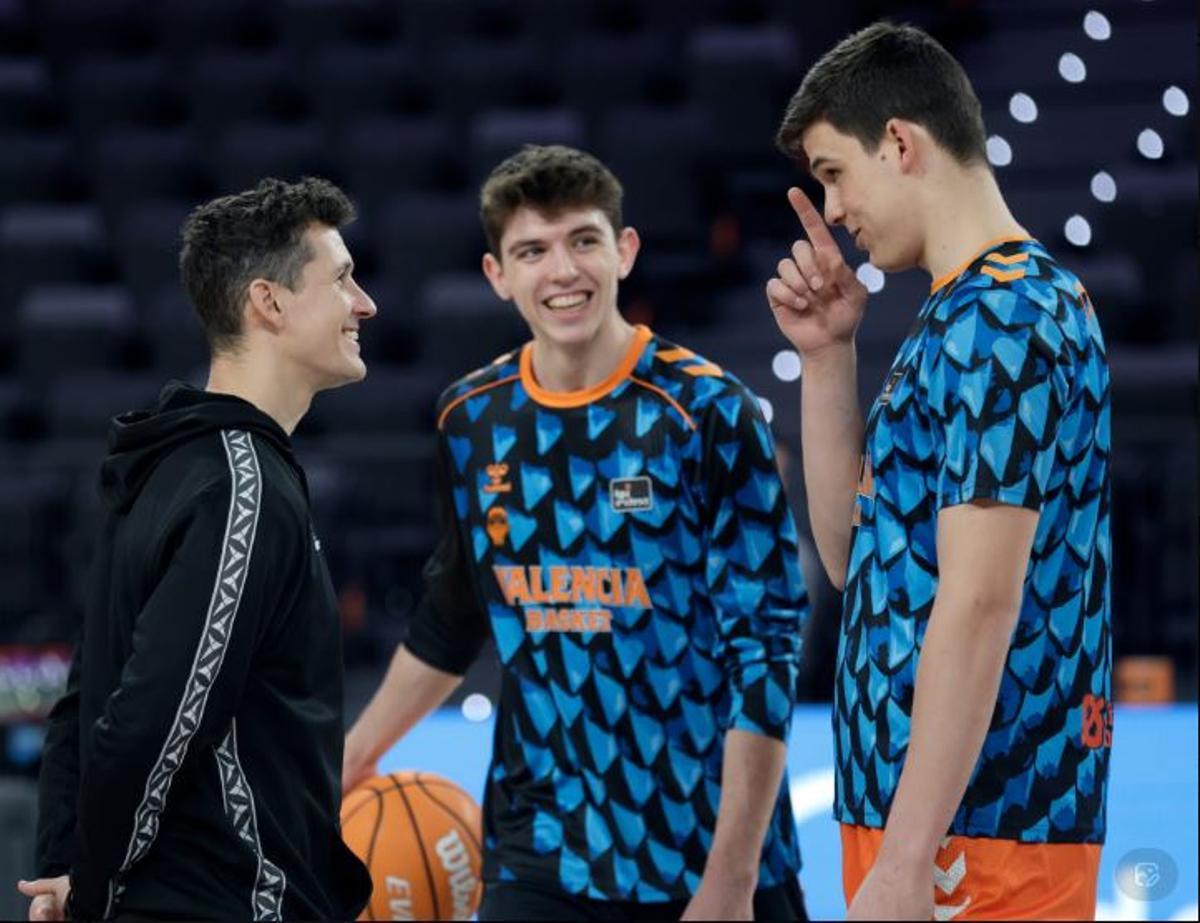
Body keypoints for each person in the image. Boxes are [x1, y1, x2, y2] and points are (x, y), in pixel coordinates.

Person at [344, 144, 810, 921]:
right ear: (498, 275)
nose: (562, 270)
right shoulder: (473, 417)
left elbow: (765, 649)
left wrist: (732, 877)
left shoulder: (708, 411)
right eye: (532, 250)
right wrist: (356, 757)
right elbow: (456, 614)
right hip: (544, 848)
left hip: (708, 852)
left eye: (583, 240)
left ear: (624, 251)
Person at [766, 22, 1112, 921]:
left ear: (900, 143)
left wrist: (909, 855)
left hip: (982, 833)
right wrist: (828, 355)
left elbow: (981, 600)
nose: (833, 210)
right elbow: (854, 561)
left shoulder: (1006, 318)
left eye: (834, 172)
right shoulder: (963, 312)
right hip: (931, 825)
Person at [18, 177, 376, 921]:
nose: (364, 302)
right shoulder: (240, 484)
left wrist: (63, 862)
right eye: (341, 278)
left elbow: (85, 698)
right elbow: (149, 723)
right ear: (268, 303)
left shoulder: (167, 464)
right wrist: (91, 885)